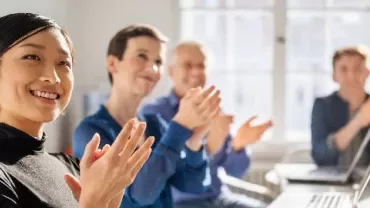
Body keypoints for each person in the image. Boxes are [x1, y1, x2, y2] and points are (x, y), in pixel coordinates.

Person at [0, 13, 153, 208]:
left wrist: (111, 198)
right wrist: (95, 202)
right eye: (32, 57)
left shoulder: (72, 167)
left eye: (63, 63)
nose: (53, 77)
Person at [73, 25, 221, 208]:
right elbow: (139, 195)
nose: (152, 68)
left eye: (158, 62)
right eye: (141, 56)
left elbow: (193, 185)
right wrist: (180, 125)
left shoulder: (155, 125)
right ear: (112, 63)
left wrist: (195, 140)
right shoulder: (91, 132)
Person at [140, 41, 273, 208]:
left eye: (201, 65)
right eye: (188, 65)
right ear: (171, 72)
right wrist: (208, 148)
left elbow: (235, 171)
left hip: (220, 199)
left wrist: (239, 146)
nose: (196, 72)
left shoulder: (214, 110)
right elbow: (161, 175)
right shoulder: (153, 113)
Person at [311, 45, 370, 167]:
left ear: (367, 72)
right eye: (344, 69)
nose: (351, 76)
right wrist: (358, 121)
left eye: (358, 69)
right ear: (334, 76)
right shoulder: (322, 106)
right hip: (332, 181)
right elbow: (320, 155)